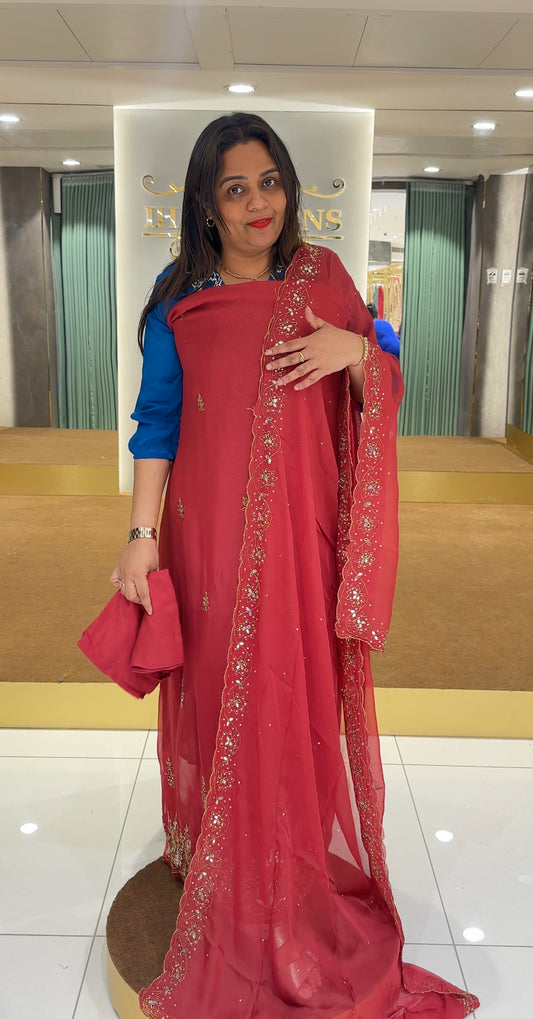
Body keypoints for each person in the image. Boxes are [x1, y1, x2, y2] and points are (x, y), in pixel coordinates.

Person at [111, 113, 478, 1019]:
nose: (257, 203)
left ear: (288, 185)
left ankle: (290, 862)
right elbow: (156, 424)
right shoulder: (177, 299)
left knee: (290, 687)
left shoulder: (324, 280)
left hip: (297, 540)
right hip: (205, 541)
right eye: (234, 188)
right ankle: (226, 858)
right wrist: (141, 533)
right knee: (221, 691)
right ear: (205, 205)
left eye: (268, 181)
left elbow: (383, 379)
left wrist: (358, 351)